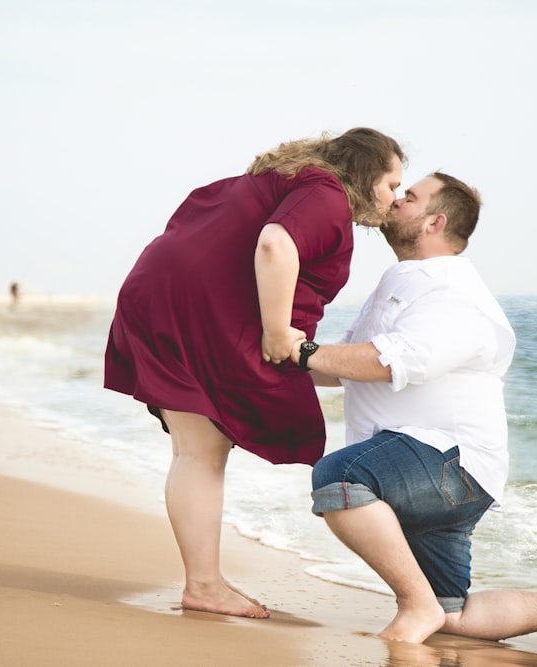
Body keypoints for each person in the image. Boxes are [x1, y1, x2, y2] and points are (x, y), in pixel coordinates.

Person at [290, 172, 537, 652]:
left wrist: (304, 352)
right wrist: (267, 361)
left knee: (341, 478)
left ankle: (413, 603)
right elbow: (343, 365)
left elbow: (397, 360)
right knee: (452, 614)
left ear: (435, 221)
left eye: (410, 196)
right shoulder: (407, 281)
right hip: (438, 468)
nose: (396, 199)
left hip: (446, 460)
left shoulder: (451, 290)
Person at [104, 127, 406, 619]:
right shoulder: (326, 193)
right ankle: (203, 585)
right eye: (393, 183)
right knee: (201, 450)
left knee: (196, 447)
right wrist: (275, 330)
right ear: (366, 172)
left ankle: (205, 581)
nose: (394, 198)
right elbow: (274, 244)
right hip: (188, 308)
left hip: (169, 297)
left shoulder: (288, 181)